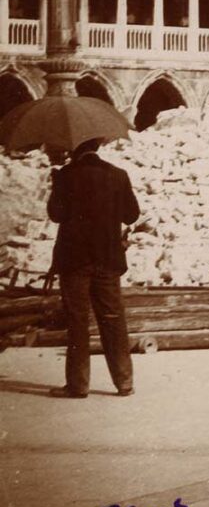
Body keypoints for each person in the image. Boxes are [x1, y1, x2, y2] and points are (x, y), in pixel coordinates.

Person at [48, 139, 140, 398]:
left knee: (77, 321)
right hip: (108, 259)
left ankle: (78, 385)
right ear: (97, 145)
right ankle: (124, 382)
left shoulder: (65, 175)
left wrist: (56, 185)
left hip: (74, 261)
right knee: (113, 319)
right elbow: (131, 215)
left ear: (73, 148)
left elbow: (56, 215)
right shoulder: (118, 174)